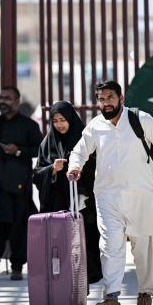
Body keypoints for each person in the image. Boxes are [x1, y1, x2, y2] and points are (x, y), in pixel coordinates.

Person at [67, 80, 153, 305]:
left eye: (110, 98)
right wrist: (75, 167)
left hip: (142, 193)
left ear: (121, 98)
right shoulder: (95, 126)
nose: (106, 103)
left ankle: (145, 293)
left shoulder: (141, 120)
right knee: (109, 245)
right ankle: (112, 297)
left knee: (142, 247)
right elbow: (79, 151)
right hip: (107, 195)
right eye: (101, 99)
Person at [0, 86, 42, 280]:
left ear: (17, 101)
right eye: (1, 98)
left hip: (19, 186)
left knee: (19, 229)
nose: (3, 101)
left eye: (8, 98)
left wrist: (18, 150)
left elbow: (38, 149)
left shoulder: (28, 125)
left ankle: (17, 267)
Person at [32, 101, 102, 285]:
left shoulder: (84, 138)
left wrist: (78, 167)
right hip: (57, 206)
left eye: (63, 119)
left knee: (83, 249)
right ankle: (63, 293)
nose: (59, 124)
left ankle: (81, 292)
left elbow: (96, 166)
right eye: (55, 121)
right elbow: (37, 173)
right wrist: (53, 170)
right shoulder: (47, 143)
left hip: (82, 205)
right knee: (60, 251)